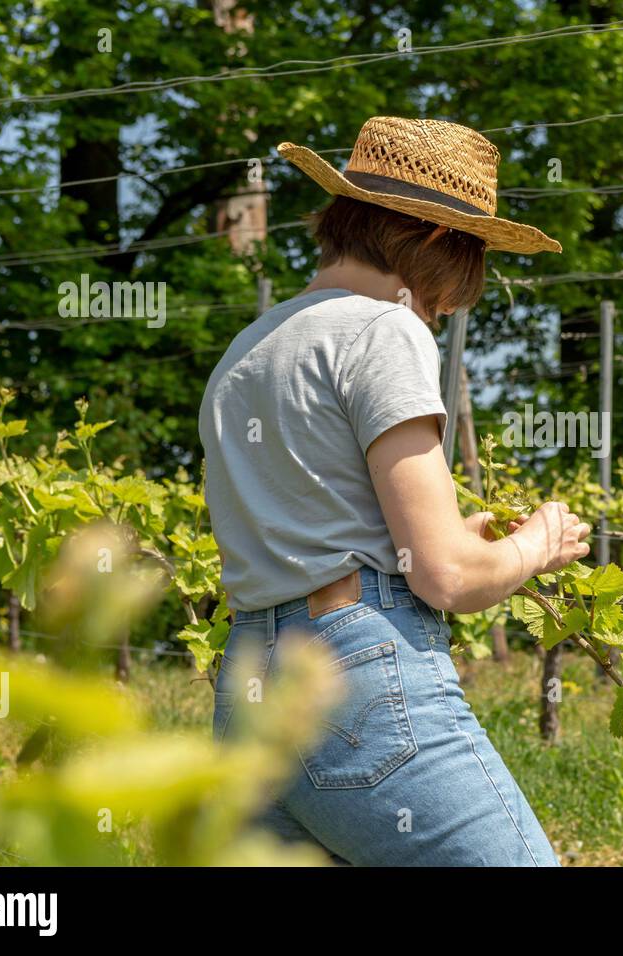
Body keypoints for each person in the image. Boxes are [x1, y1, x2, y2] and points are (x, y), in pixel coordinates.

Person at [199, 117, 590, 866]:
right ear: (441, 241)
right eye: (461, 279)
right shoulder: (386, 328)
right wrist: (536, 542)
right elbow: (446, 576)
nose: (446, 310)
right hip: (353, 680)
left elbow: (322, 523)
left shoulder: (248, 350)